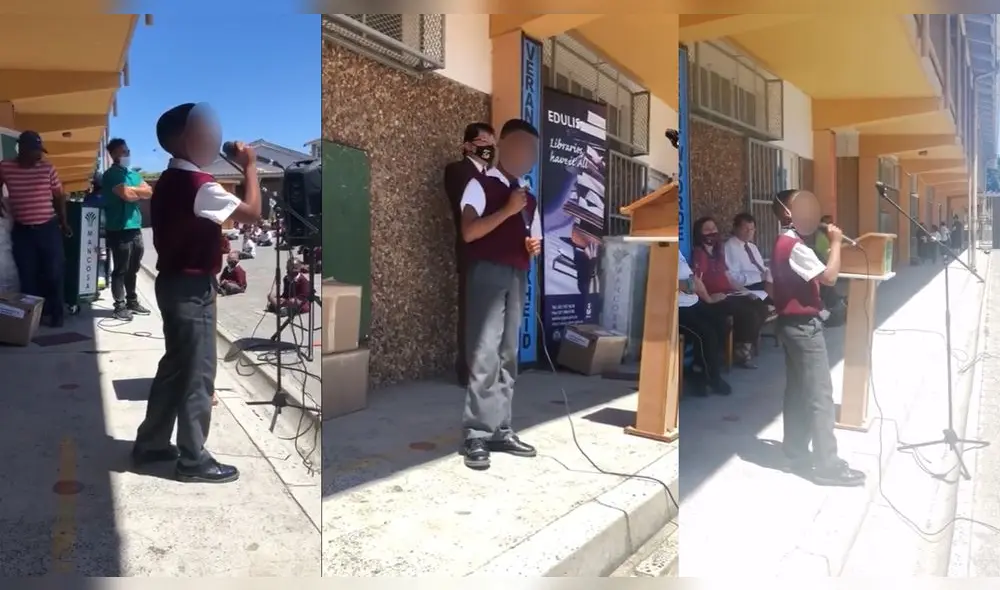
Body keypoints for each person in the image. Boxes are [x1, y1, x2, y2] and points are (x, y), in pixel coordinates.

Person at [136, 103, 261, 484]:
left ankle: (152, 443)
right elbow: (253, 212)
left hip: (172, 282)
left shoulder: (170, 182)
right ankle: (193, 458)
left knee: (175, 367)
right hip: (192, 289)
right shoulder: (199, 184)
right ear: (184, 138)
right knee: (198, 374)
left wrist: (209, 242)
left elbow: (189, 227)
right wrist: (251, 166)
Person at [458, 118, 541, 471]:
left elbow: (530, 237)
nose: (527, 156)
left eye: (533, 151)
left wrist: (533, 245)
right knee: (485, 351)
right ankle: (476, 432)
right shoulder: (479, 185)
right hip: (487, 273)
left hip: (517, 274)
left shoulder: (530, 198)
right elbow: (470, 232)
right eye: (521, 147)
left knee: (509, 353)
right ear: (504, 147)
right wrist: (507, 209)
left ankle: (500, 429)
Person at [769, 189, 865, 487]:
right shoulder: (794, 246)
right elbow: (830, 277)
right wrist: (836, 243)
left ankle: (795, 453)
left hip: (790, 324)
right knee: (820, 396)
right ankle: (827, 465)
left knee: (798, 392)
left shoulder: (784, 244)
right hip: (803, 328)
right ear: (788, 212)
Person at [0, 131, 70, 327]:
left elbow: (58, 195)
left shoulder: (47, 168)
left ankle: (57, 314)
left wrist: (63, 221)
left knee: (54, 272)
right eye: (34, 151)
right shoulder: (5, 167)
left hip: (48, 228)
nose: (39, 155)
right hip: (23, 231)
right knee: (27, 275)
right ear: (21, 149)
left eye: (40, 151)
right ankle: (32, 318)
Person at [445, 122, 496, 388]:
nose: (489, 147)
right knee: (471, 313)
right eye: (482, 142)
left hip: (497, 253)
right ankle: (467, 371)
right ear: (467, 146)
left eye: (492, 142)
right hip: (472, 251)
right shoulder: (458, 171)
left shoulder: (493, 175)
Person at [691, 216, 770, 368]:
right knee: (747, 312)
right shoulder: (699, 254)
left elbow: (728, 276)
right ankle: (740, 351)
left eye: (714, 229)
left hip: (729, 292)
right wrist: (709, 299)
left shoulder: (718, 252)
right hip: (713, 297)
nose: (712, 232)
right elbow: (696, 280)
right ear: (699, 233)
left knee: (759, 306)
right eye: (707, 230)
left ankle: (743, 347)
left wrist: (745, 291)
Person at [102, 138, 153, 321]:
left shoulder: (132, 174)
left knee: (134, 267)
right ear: (114, 154)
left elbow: (148, 192)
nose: (127, 154)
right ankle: (119, 306)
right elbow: (127, 196)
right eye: (123, 152)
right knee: (121, 268)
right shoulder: (111, 175)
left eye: (128, 151)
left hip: (135, 226)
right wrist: (135, 190)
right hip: (119, 228)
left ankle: (132, 301)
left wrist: (133, 189)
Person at [678, 250, 731, 396]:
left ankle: (702, 367)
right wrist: (689, 284)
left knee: (722, 322)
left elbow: (695, 280)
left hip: (694, 302)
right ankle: (712, 378)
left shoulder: (678, 252)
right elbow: (665, 282)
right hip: (677, 309)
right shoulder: (661, 250)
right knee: (706, 334)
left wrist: (708, 298)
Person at [723, 212, 771, 293]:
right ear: (735, 228)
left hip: (763, 281)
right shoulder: (729, 248)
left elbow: (761, 268)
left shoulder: (753, 247)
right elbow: (733, 277)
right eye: (745, 229)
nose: (749, 232)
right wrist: (759, 277)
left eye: (752, 229)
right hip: (749, 286)